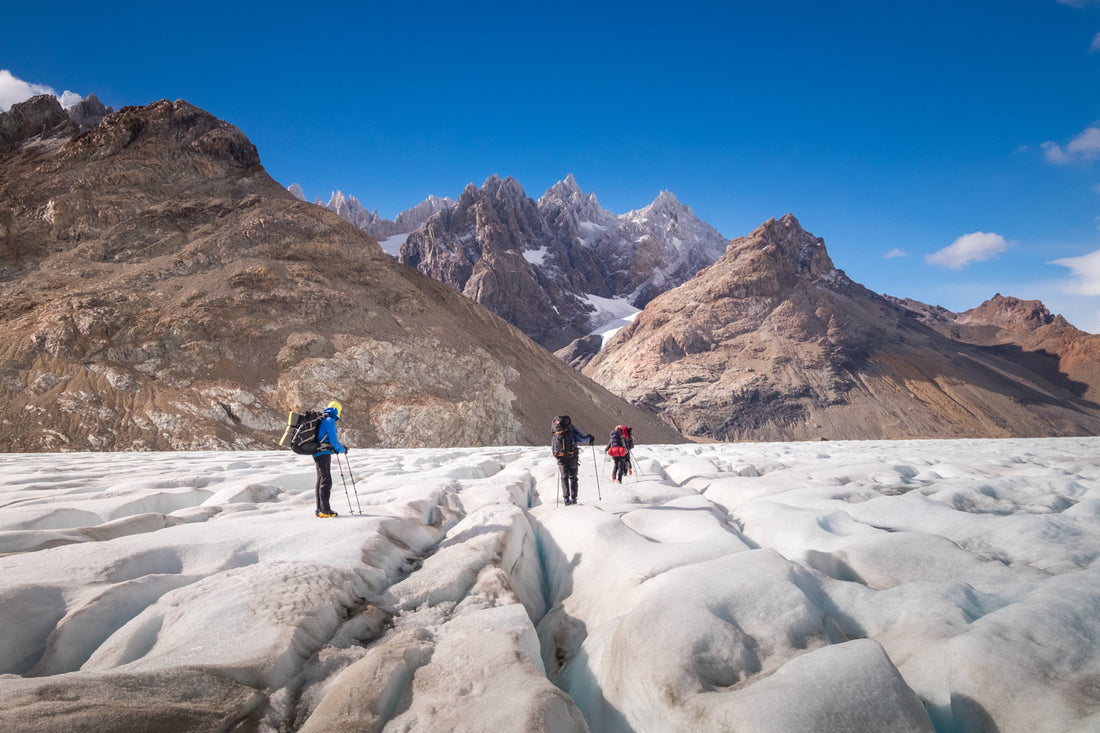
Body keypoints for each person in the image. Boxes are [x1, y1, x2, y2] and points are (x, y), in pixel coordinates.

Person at [314, 401, 347, 518]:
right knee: (326, 480)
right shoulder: (330, 420)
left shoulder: (323, 419)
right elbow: (333, 440)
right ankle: (325, 510)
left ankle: (319, 509)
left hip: (317, 451)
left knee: (321, 479)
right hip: (323, 452)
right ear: (337, 410)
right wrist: (342, 449)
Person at [551, 415, 593, 506]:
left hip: (561, 459)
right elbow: (582, 439)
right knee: (573, 478)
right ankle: (573, 499)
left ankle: (566, 499)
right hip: (572, 458)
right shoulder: (571, 430)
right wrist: (590, 437)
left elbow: (553, 447)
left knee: (564, 478)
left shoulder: (555, 432)